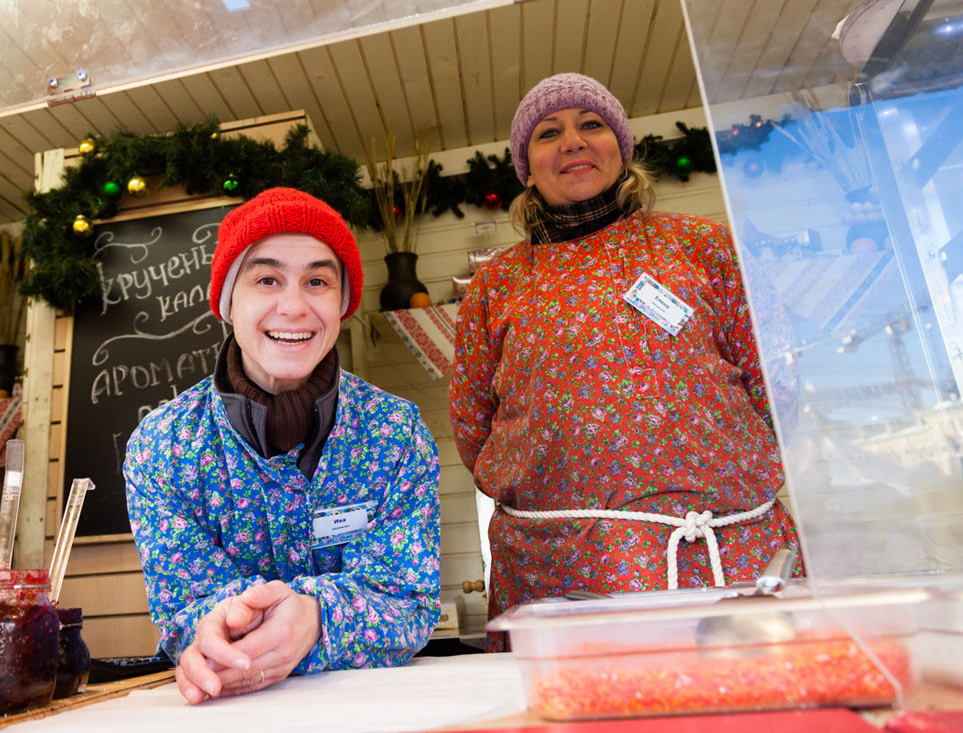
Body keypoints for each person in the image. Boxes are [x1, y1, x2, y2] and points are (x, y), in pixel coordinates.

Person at [449, 73, 802, 649]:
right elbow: (472, 426)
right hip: (562, 572)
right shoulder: (496, 284)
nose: (573, 141)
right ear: (526, 165)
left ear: (621, 145)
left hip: (726, 559)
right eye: (548, 132)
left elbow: (777, 385)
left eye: (591, 124)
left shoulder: (703, 247)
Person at [124, 187, 441, 703]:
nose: (293, 306)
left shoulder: (395, 433)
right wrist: (218, 627)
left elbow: (408, 599)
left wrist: (313, 618)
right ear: (229, 302)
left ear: (340, 305)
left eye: (317, 281)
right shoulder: (162, 447)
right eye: (267, 279)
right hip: (231, 706)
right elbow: (186, 608)